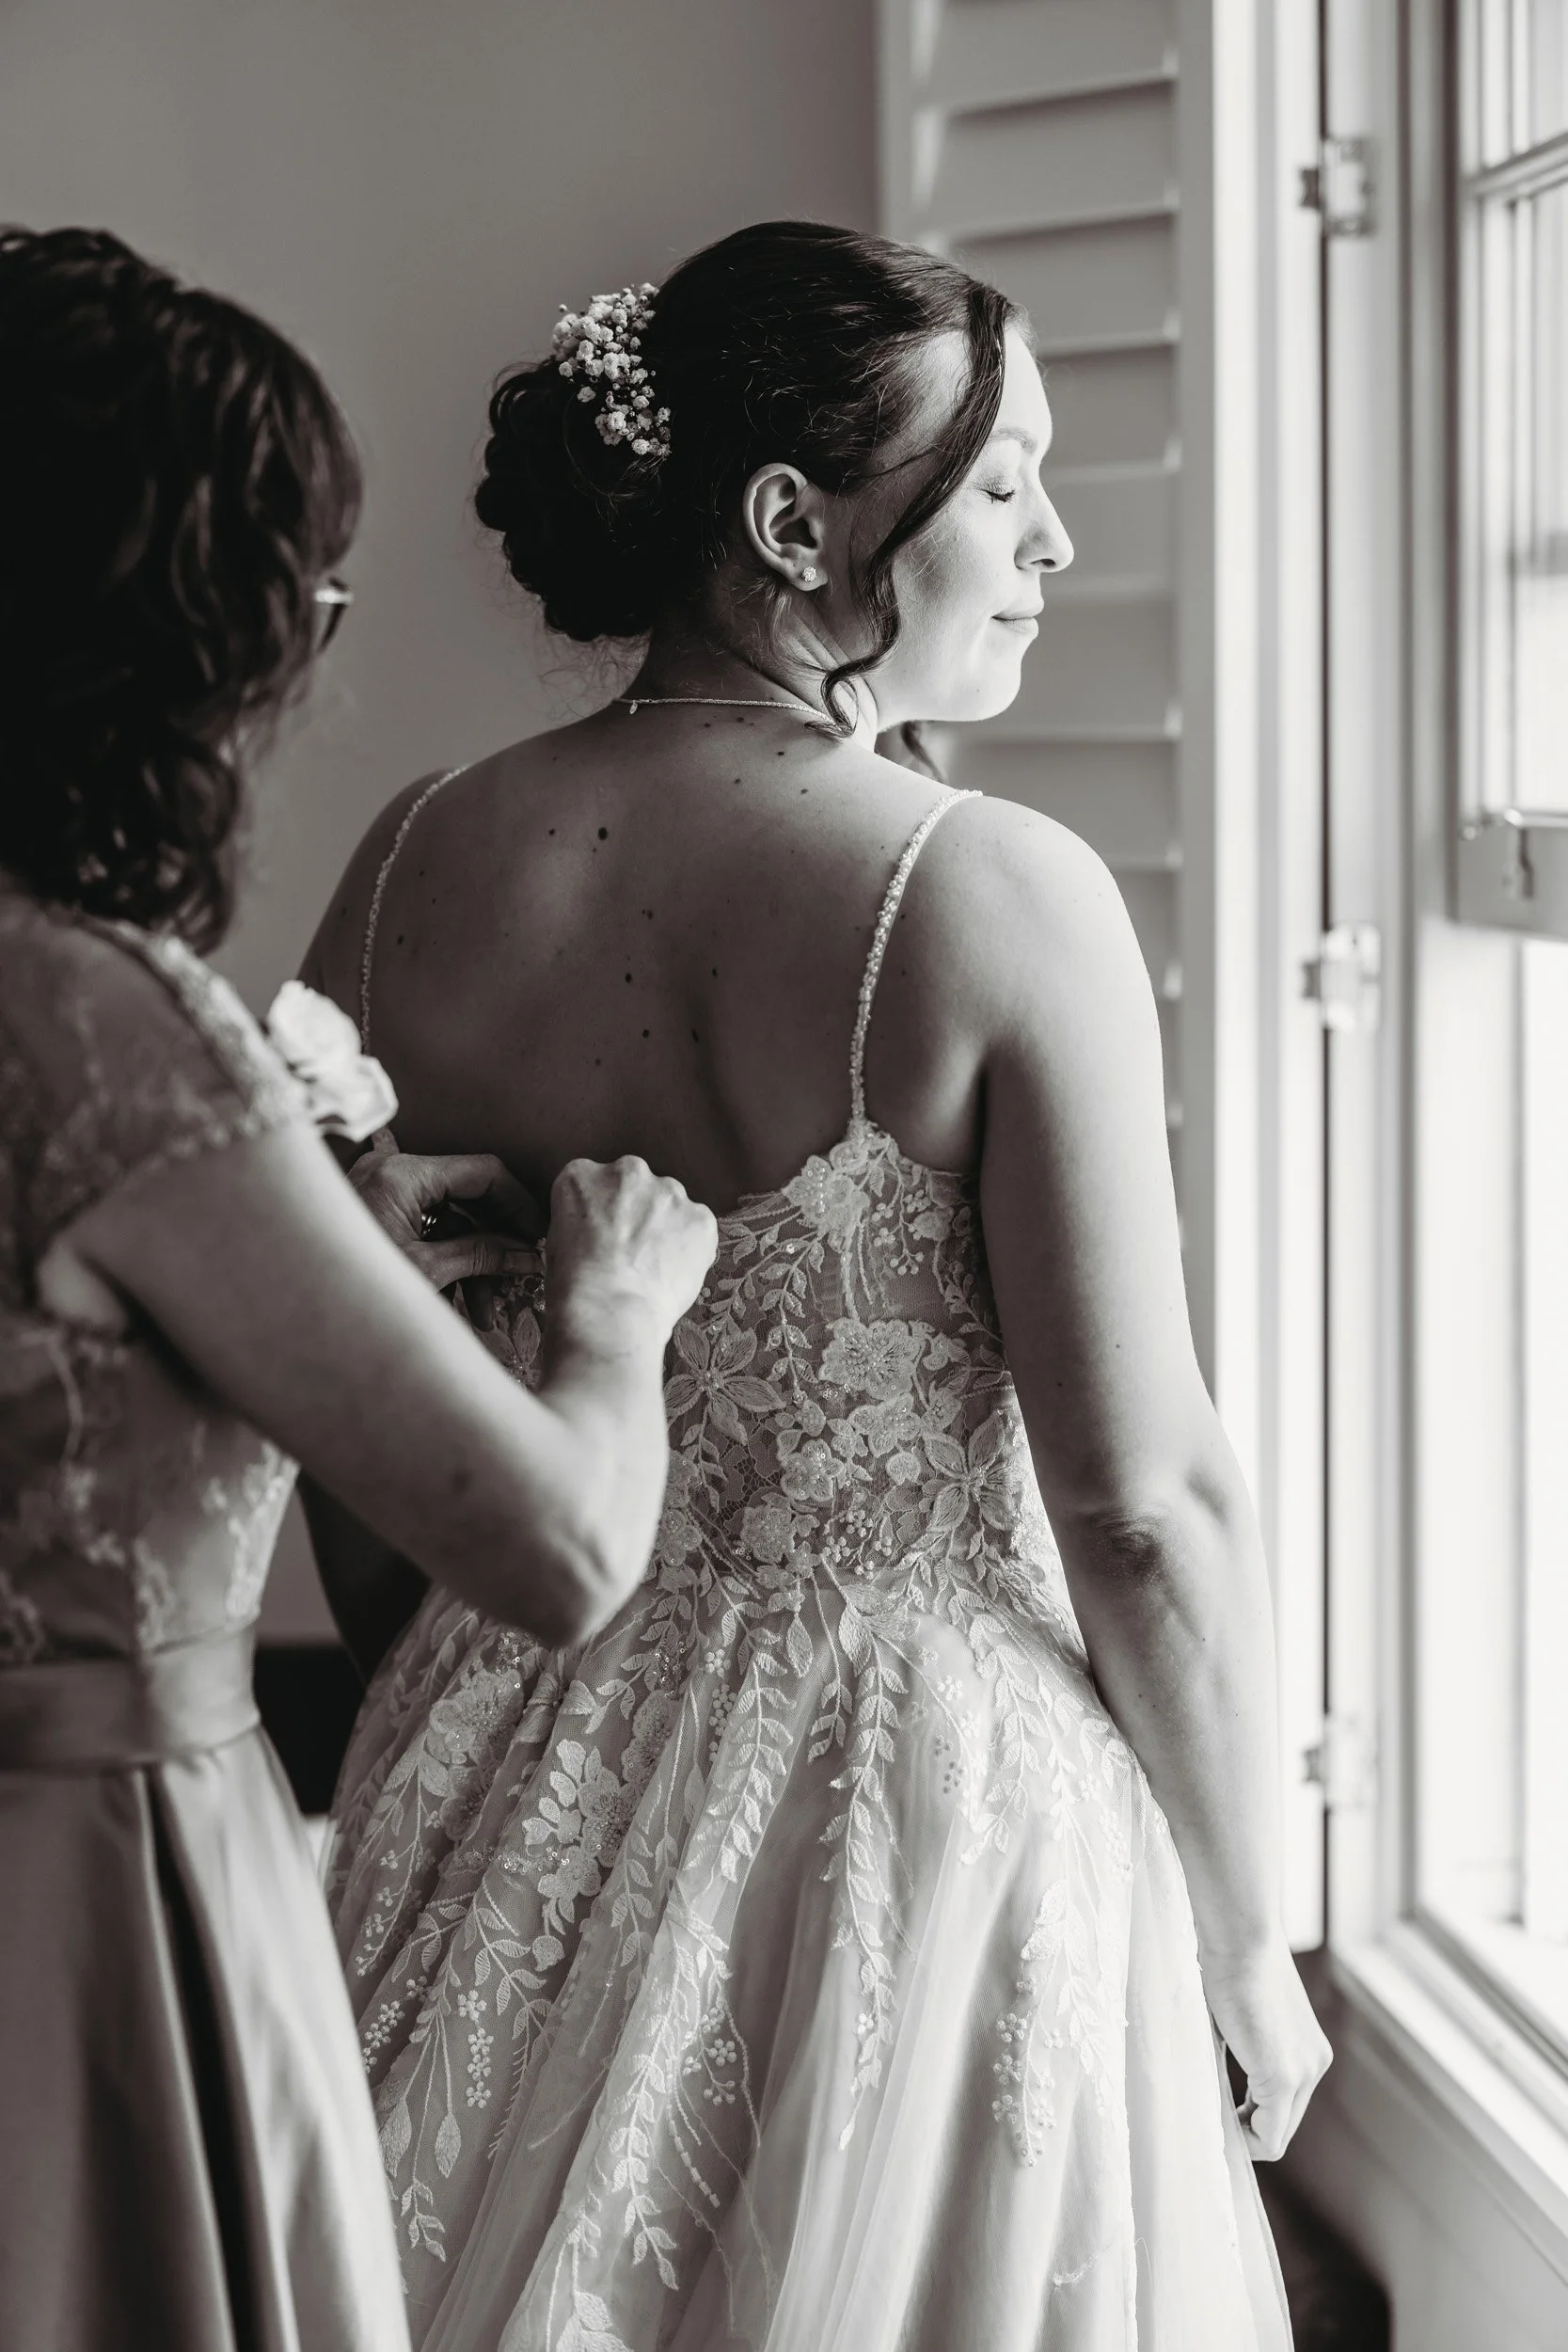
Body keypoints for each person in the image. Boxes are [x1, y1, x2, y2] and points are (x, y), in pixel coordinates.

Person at [312, 221, 1329, 2352]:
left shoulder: (409, 863)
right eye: (1001, 480)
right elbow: (1139, 1502)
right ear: (792, 524)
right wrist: (1252, 1931)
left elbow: (353, 1416)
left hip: (493, 1751)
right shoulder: (991, 894)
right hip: (915, 1817)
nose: (1054, 535)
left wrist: (466, 1684)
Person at [0, 224, 715, 2352]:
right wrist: (606, 1318)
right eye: (301, 598)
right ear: (183, 629)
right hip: (82, 1893)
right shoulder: (98, 1033)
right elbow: (559, 1544)